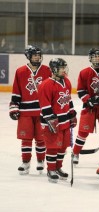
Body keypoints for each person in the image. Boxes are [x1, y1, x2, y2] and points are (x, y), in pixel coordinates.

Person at [9, 45, 52, 175]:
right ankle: (26, 162)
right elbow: (16, 91)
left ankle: (40, 161)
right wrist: (14, 107)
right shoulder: (20, 71)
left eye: (39, 55)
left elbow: (52, 91)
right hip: (25, 112)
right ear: (28, 56)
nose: (37, 57)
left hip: (41, 111)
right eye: (35, 55)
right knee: (26, 139)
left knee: (41, 138)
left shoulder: (47, 70)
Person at [38, 58, 77, 183]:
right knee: (52, 146)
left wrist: (72, 114)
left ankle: (58, 167)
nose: (64, 70)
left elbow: (68, 99)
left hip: (64, 121)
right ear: (54, 70)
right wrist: (50, 119)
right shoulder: (46, 85)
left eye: (64, 68)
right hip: (52, 121)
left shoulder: (67, 82)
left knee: (63, 147)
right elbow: (45, 105)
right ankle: (51, 169)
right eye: (61, 68)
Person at [72, 48, 99, 165]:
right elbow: (81, 91)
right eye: (94, 56)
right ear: (90, 58)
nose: (97, 58)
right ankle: (75, 152)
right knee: (83, 131)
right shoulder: (84, 72)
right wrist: (89, 100)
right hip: (90, 107)